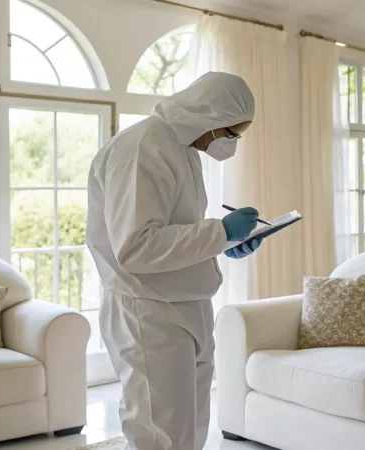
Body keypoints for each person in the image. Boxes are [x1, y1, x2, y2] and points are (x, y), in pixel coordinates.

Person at [86, 72, 263, 450]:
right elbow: (136, 247)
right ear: (209, 117)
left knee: (189, 430)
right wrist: (219, 232)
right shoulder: (141, 147)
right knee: (159, 433)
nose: (232, 144)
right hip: (148, 311)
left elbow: (175, 231)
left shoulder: (182, 147)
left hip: (186, 305)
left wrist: (224, 243)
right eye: (232, 133)